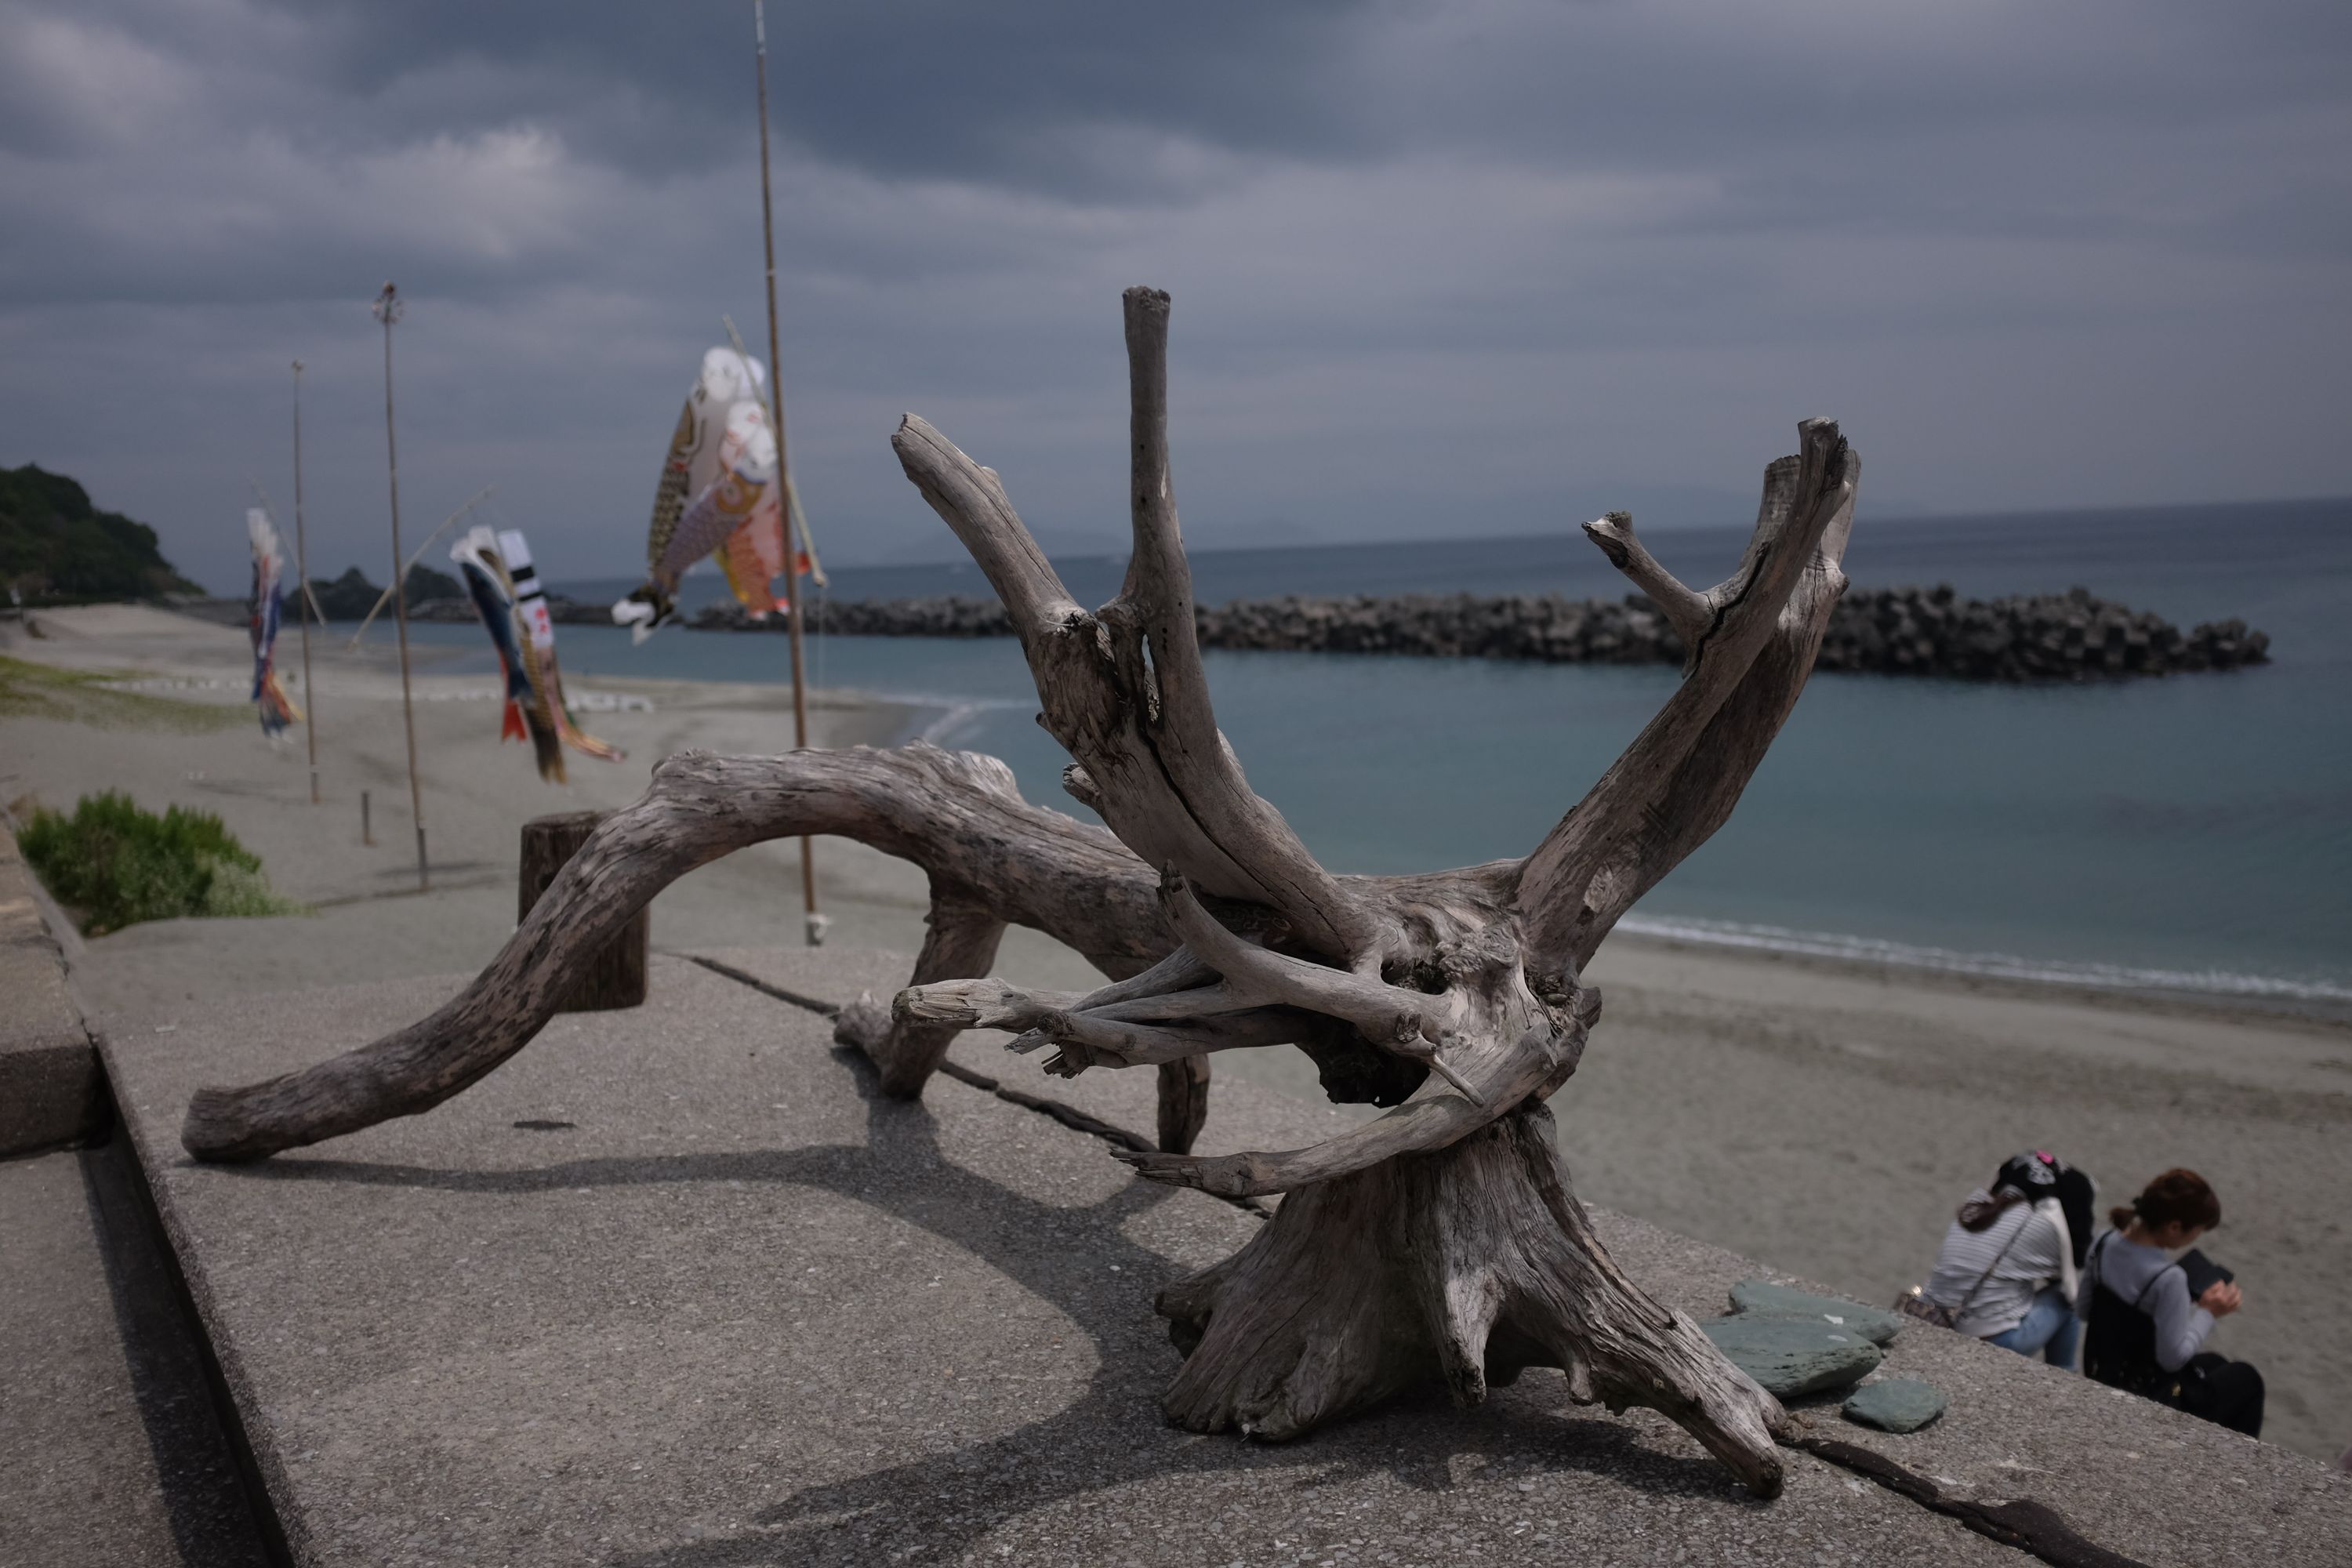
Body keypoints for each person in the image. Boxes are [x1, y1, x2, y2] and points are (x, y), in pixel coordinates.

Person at [2079, 1168, 2264, 1438]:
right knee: (2247, 1378)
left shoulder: (2104, 1241)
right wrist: (2208, 1312)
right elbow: (2172, 1359)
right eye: (2197, 1231)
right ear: (2175, 1227)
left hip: (2103, 1373)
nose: (2196, 1238)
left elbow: (2083, 1310)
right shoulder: (2169, 1278)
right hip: (2147, 1396)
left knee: (2216, 1363)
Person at [1920, 1150, 2093, 1368]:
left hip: (1932, 1318)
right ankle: (2065, 1375)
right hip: (1991, 1340)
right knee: (2065, 1304)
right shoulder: (2045, 1224)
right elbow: (2070, 1289)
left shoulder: (1976, 1203)